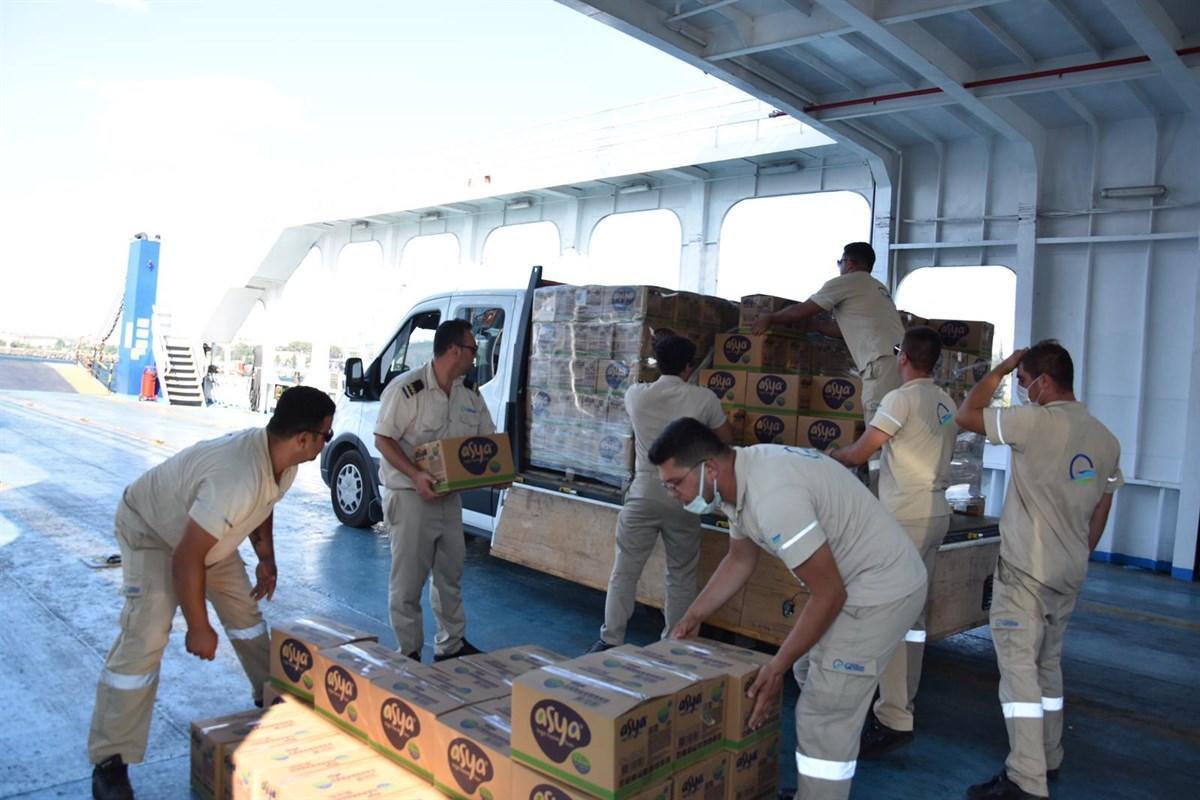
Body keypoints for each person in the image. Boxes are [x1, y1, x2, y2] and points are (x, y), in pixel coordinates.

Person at [654, 418, 927, 800]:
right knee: (806, 668)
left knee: (822, 712)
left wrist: (774, 667)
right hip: (854, 582)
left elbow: (829, 594)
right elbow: (739, 560)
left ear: (708, 468)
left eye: (675, 483)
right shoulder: (738, 480)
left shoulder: (772, 497)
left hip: (879, 591)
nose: (672, 494)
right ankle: (840, 715)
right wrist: (694, 615)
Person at [89, 386, 336, 800]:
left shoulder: (283, 461)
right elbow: (187, 556)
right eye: (326, 436)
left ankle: (271, 699)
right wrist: (198, 626)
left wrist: (265, 557)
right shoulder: (235, 476)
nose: (327, 442)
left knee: (246, 617)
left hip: (205, 536)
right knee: (147, 631)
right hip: (153, 530)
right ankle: (110, 760)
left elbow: (264, 502)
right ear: (303, 439)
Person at [956, 341, 1122, 800]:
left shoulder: (1033, 423)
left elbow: (967, 414)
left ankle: (1025, 778)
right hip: (1069, 570)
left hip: (1027, 571)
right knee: (1048, 665)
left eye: (1025, 382)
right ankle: (1048, 758)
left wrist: (1003, 366)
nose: (1022, 390)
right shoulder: (1106, 439)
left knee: (1019, 674)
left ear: (1044, 382)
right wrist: (1080, 552)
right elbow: (1102, 505)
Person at [829, 326, 958, 756]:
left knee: (887, 613)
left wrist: (830, 457)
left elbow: (864, 450)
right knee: (913, 616)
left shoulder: (899, 399)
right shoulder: (944, 400)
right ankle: (906, 696)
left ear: (903, 358)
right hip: (936, 513)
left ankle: (894, 715)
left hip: (905, 517)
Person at [588, 335, 733, 653]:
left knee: (625, 569)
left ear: (658, 364)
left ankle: (610, 638)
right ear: (688, 366)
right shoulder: (704, 399)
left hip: (642, 492)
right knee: (680, 573)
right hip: (684, 495)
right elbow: (726, 440)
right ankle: (674, 644)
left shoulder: (636, 395)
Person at [374, 319, 494, 663]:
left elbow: (486, 442)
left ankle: (451, 645)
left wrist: (496, 472)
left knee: (450, 575)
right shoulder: (407, 389)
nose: (476, 356)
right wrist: (415, 476)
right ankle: (409, 651)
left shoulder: (469, 393)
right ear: (454, 351)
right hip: (411, 496)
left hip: (449, 497)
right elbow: (383, 439)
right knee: (408, 581)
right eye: (473, 349)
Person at [751, 242, 904, 417]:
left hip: (880, 362)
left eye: (840, 262)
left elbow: (800, 311)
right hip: (900, 361)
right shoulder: (877, 288)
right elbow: (847, 330)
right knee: (894, 421)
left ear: (849, 263)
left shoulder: (847, 282)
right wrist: (817, 326)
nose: (840, 267)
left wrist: (770, 318)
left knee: (879, 423)